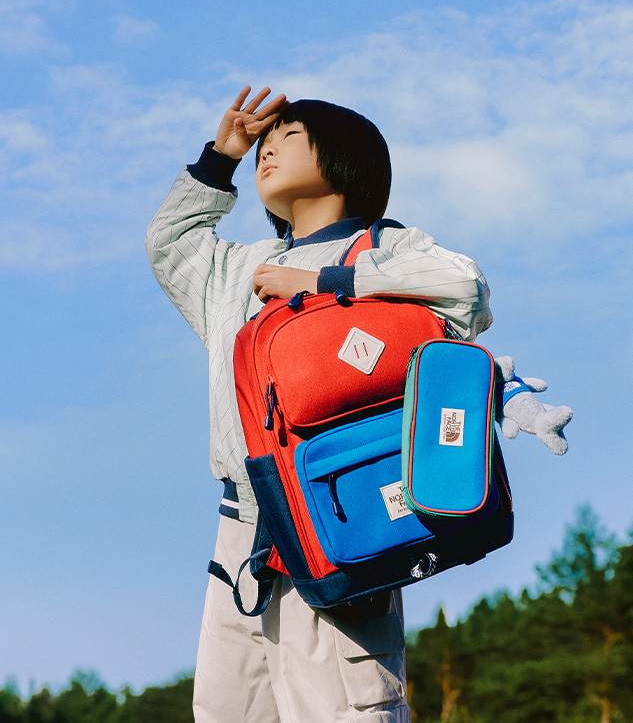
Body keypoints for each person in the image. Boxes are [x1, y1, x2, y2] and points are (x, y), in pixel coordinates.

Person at [145, 86, 493, 722]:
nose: (267, 150)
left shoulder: (383, 247)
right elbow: (170, 241)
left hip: (340, 510)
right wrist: (220, 157)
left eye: (289, 137)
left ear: (346, 159)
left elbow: (465, 290)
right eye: (262, 145)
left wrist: (327, 282)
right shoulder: (241, 269)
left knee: (342, 706)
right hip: (243, 525)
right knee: (227, 710)